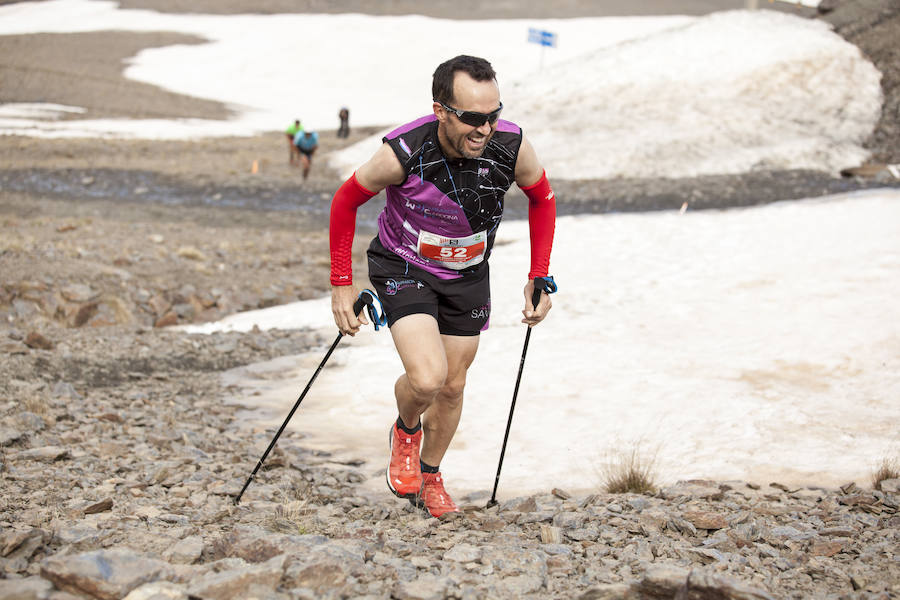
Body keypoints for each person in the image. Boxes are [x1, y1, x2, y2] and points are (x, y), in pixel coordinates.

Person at [329, 55, 556, 518]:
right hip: (404, 266)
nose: (485, 128)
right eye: (472, 118)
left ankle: (430, 476)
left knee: (452, 387)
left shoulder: (512, 145)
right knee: (427, 377)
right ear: (440, 111)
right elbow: (345, 199)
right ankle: (406, 429)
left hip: (468, 273)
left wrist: (538, 274)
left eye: (493, 114)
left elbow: (542, 198)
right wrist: (341, 284)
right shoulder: (403, 151)